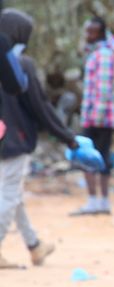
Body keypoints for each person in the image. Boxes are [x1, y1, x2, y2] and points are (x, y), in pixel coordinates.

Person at [0, 9, 76, 269]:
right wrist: (68, 138)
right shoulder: (21, 65)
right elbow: (40, 108)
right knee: (9, 195)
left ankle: (34, 246)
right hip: (14, 140)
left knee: (13, 194)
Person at [70, 16, 114, 216]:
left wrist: (94, 119)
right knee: (100, 157)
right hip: (98, 117)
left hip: (99, 118)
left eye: (91, 31)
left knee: (91, 157)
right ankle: (99, 202)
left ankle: (97, 202)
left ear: (100, 33)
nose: (87, 35)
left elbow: (103, 90)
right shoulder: (99, 53)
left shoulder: (104, 55)